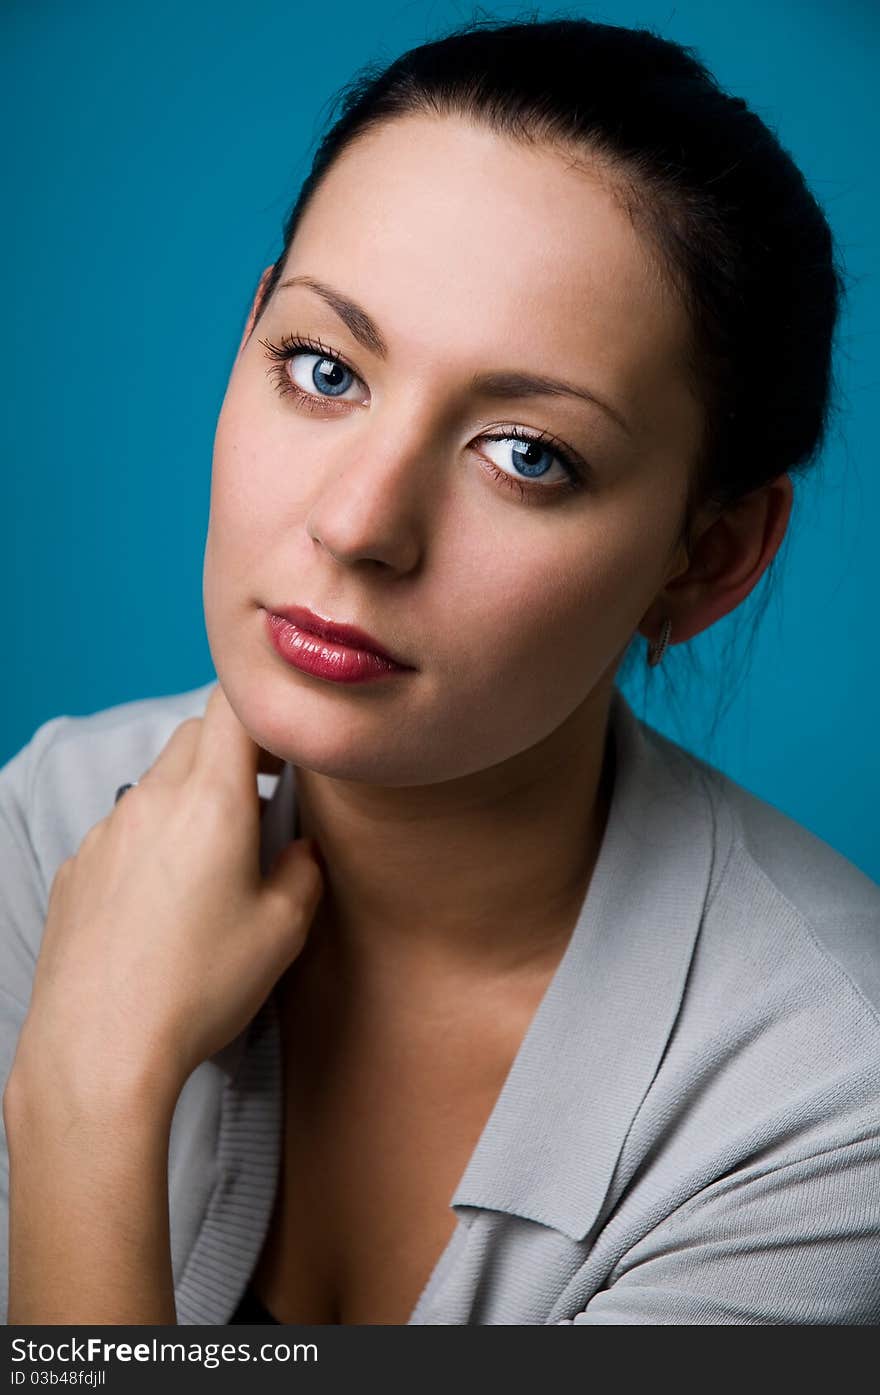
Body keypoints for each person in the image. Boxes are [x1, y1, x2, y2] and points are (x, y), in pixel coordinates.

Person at [2, 14, 878, 1327]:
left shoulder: (828, 1101)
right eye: (323, 368)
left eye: (528, 454)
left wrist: (89, 1088)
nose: (358, 524)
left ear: (706, 558)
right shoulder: (47, 831)